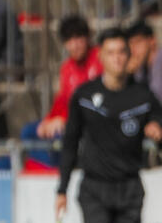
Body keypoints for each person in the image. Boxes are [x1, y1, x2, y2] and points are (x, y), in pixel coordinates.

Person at [54, 28, 162, 223]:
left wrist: (159, 129)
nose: (118, 58)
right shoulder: (85, 95)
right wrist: (62, 188)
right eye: (112, 52)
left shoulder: (143, 96)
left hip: (129, 189)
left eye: (122, 52)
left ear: (130, 57)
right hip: (95, 188)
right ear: (100, 56)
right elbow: (70, 143)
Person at [22, 15, 102, 154]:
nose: (74, 45)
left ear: (87, 38)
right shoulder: (67, 68)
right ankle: (42, 166)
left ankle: (58, 165)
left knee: (57, 137)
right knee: (28, 132)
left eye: (78, 38)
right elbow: (62, 99)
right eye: (69, 40)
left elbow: (94, 100)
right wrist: (49, 120)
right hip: (69, 120)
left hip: (89, 122)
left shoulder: (100, 59)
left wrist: (65, 120)